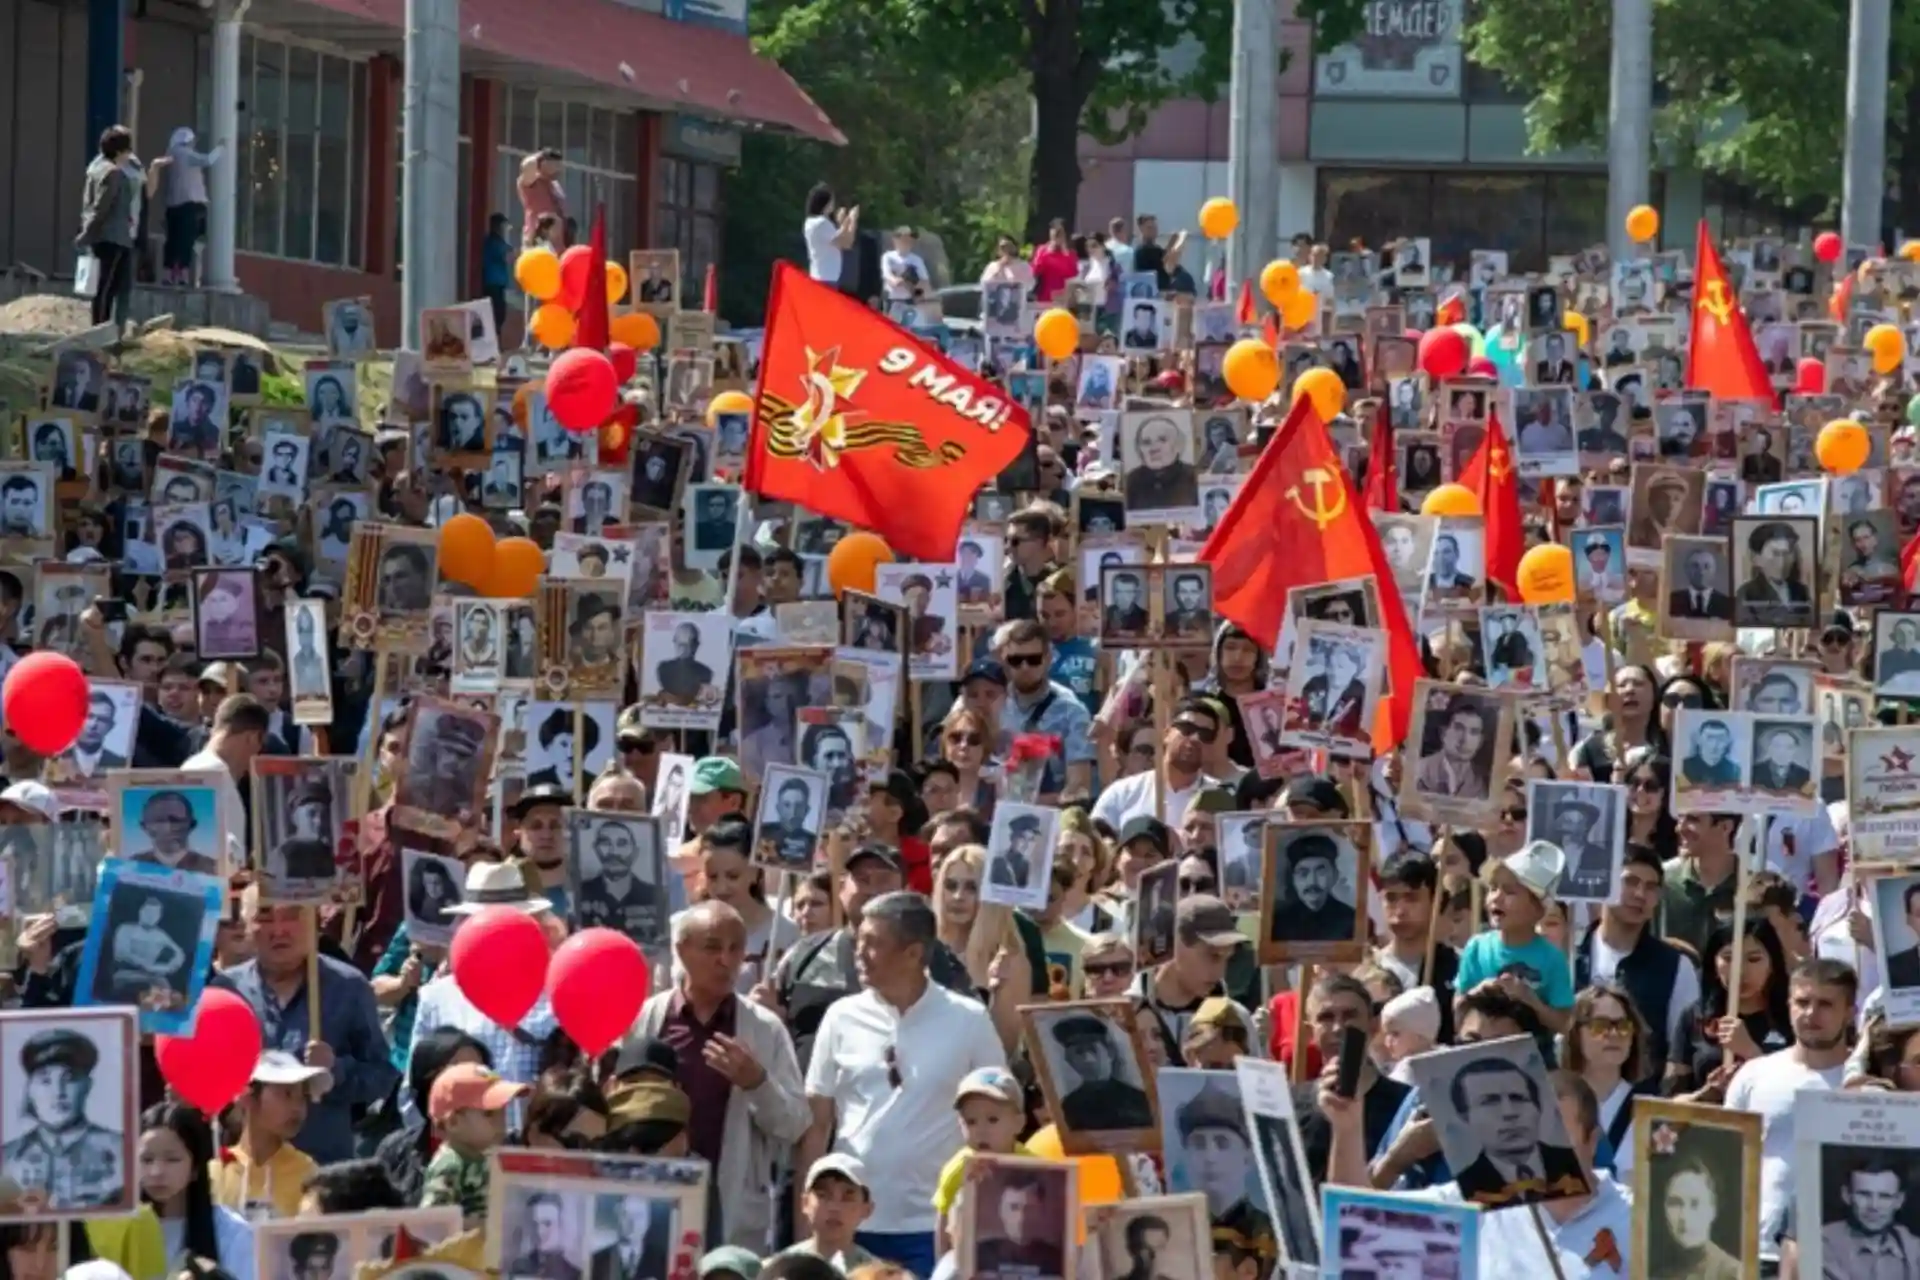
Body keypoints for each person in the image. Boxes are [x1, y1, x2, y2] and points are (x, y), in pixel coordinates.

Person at [0, 1028, 124, 1208]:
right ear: (30, 1089)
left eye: (70, 1079)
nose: (58, 1092)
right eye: (45, 1081)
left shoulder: (121, 1151)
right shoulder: (8, 1157)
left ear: (87, 1086)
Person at [421, 1062, 528, 1224]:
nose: (501, 1121)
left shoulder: (491, 1157)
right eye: (489, 1114)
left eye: (503, 1111)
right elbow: (433, 1223)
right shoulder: (450, 1164)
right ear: (454, 1123)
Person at [77, 125, 139, 328]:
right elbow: (102, 206)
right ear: (120, 151)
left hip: (107, 236)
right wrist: (87, 234)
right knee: (106, 289)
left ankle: (105, 328)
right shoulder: (113, 173)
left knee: (106, 288)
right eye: (127, 150)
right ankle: (100, 329)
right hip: (112, 237)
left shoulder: (95, 169)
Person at [1049, 1013, 1153, 1131]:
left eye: (1093, 1050)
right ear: (1069, 1060)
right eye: (1079, 1052)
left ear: (1110, 1052)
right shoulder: (1068, 1106)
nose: (1088, 1059)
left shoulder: (1139, 1100)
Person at [1267, 832, 1357, 943]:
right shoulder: (1277, 923)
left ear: (1335, 875)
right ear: (1293, 879)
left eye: (1321, 872)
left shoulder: (1353, 921)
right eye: (1303, 873)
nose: (1312, 882)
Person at [804, 183, 858, 285]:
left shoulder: (810, 222)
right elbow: (846, 242)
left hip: (820, 276)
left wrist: (842, 223)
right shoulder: (822, 222)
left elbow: (838, 239)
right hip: (826, 278)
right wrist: (850, 219)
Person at [990, 815, 1041, 889]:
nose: (1026, 844)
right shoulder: (999, 862)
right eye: (1022, 838)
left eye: (1031, 840)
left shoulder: (1026, 864)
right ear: (1012, 838)